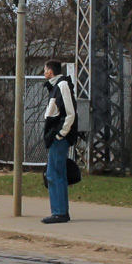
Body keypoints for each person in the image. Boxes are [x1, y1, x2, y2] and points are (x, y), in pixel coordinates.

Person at [41, 59, 77, 224]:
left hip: (58, 137)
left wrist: (60, 134)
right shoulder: (57, 86)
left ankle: (59, 212)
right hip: (56, 136)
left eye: (45, 70)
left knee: (54, 174)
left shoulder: (62, 85)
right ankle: (60, 211)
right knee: (57, 173)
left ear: (50, 71)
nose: (44, 73)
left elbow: (70, 113)